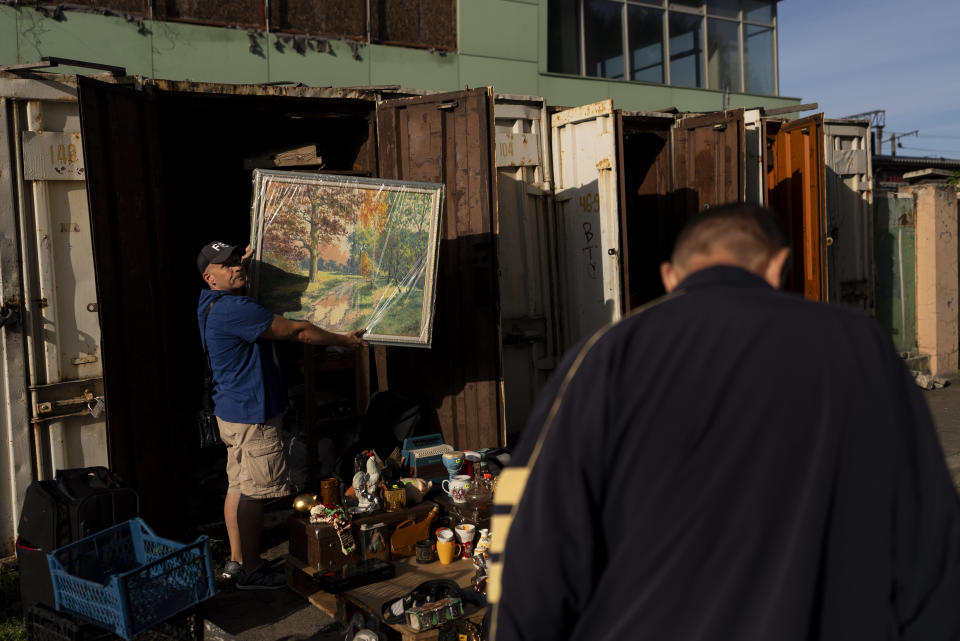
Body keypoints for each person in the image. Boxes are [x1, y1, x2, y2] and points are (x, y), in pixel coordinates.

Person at [487, 203, 960, 640]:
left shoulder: (606, 356)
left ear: (670, 277)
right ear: (777, 265)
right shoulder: (862, 347)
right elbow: (932, 546)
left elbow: (530, 544)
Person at [197, 241, 366, 590]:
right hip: (251, 415)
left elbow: (235, 273)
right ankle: (253, 569)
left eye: (235, 260)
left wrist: (247, 257)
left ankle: (236, 561)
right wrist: (343, 339)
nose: (235, 267)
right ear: (208, 277)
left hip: (233, 412)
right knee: (254, 493)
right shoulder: (235, 309)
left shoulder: (211, 303)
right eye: (225, 266)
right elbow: (297, 330)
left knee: (238, 486)